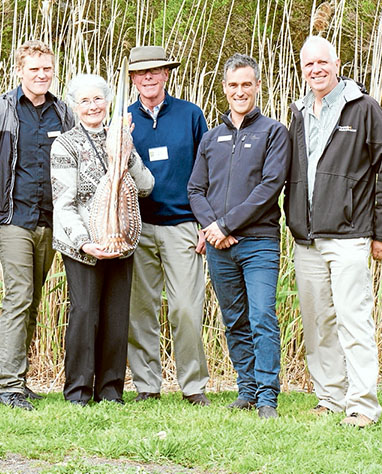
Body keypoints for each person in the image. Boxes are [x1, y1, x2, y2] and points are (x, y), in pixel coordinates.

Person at [284, 36, 382, 428]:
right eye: (308, 65)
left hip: (350, 234)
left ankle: (363, 405)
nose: (316, 70)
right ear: (301, 70)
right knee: (318, 322)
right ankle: (330, 397)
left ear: (337, 63)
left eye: (323, 62)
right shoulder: (299, 112)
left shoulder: (364, 109)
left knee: (354, 320)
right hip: (308, 238)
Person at [188, 53, 290, 419]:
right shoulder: (212, 137)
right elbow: (195, 189)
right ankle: (246, 389)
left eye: (247, 84)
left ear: (258, 86)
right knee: (234, 320)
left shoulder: (273, 132)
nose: (240, 91)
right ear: (225, 88)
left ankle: (267, 397)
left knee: (262, 315)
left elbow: (269, 187)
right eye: (233, 85)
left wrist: (225, 225)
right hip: (219, 247)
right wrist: (213, 228)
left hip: (258, 242)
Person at [0, 40, 74, 411]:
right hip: (14, 219)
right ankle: (9, 386)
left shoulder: (63, 113)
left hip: (51, 221)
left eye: (47, 69)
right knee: (18, 296)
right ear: (19, 71)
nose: (41, 75)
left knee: (32, 300)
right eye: (34, 69)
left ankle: (22, 379)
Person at [50, 74, 154, 406]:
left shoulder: (119, 137)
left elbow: (145, 186)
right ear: (74, 105)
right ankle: (78, 391)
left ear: (108, 103)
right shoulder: (65, 144)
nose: (93, 106)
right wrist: (84, 242)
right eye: (85, 101)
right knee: (85, 314)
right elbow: (63, 203)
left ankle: (110, 390)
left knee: (115, 314)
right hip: (83, 246)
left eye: (98, 99)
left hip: (120, 242)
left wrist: (127, 153)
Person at [126, 45, 211, 406]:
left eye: (155, 71)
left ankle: (193, 386)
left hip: (183, 226)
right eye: (141, 72)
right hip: (137, 227)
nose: (148, 77)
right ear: (132, 78)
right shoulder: (123, 119)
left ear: (166, 75)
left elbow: (210, 171)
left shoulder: (191, 115)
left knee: (185, 308)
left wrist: (207, 223)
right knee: (140, 308)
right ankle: (147, 384)